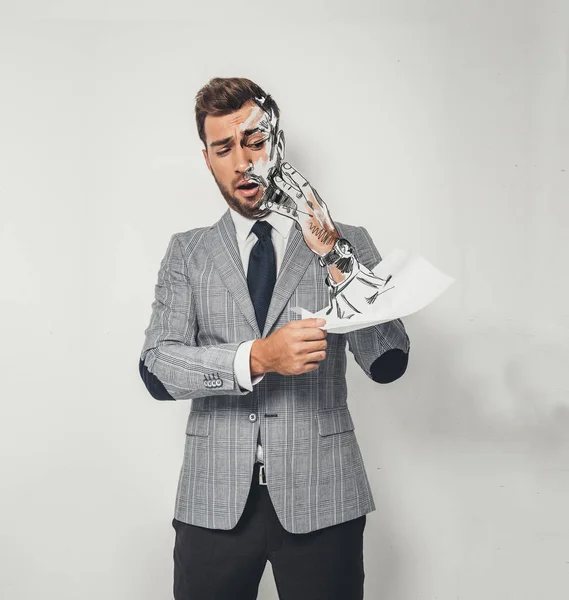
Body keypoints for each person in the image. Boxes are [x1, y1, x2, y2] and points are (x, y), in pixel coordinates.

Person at [139, 77, 411, 600]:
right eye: (224, 148)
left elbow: (389, 361)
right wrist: (257, 357)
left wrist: (334, 255)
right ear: (208, 159)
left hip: (324, 497)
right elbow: (157, 369)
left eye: (255, 142)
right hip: (213, 501)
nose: (243, 161)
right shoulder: (188, 252)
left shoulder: (346, 243)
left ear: (277, 143)